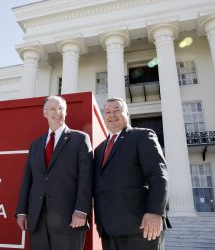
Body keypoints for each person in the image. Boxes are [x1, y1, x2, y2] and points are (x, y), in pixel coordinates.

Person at [16, 95, 93, 250]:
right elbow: (28, 179)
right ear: (45, 113)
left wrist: (81, 210)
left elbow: (87, 177)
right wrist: (21, 211)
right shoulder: (36, 144)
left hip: (70, 217)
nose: (57, 112)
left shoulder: (80, 139)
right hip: (37, 218)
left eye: (61, 108)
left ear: (66, 112)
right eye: (52, 108)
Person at [93, 97, 170, 250]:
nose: (111, 115)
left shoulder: (142, 136)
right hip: (108, 229)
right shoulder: (99, 149)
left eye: (117, 110)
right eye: (107, 112)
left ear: (127, 114)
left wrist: (155, 212)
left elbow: (158, 175)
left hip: (140, 227)